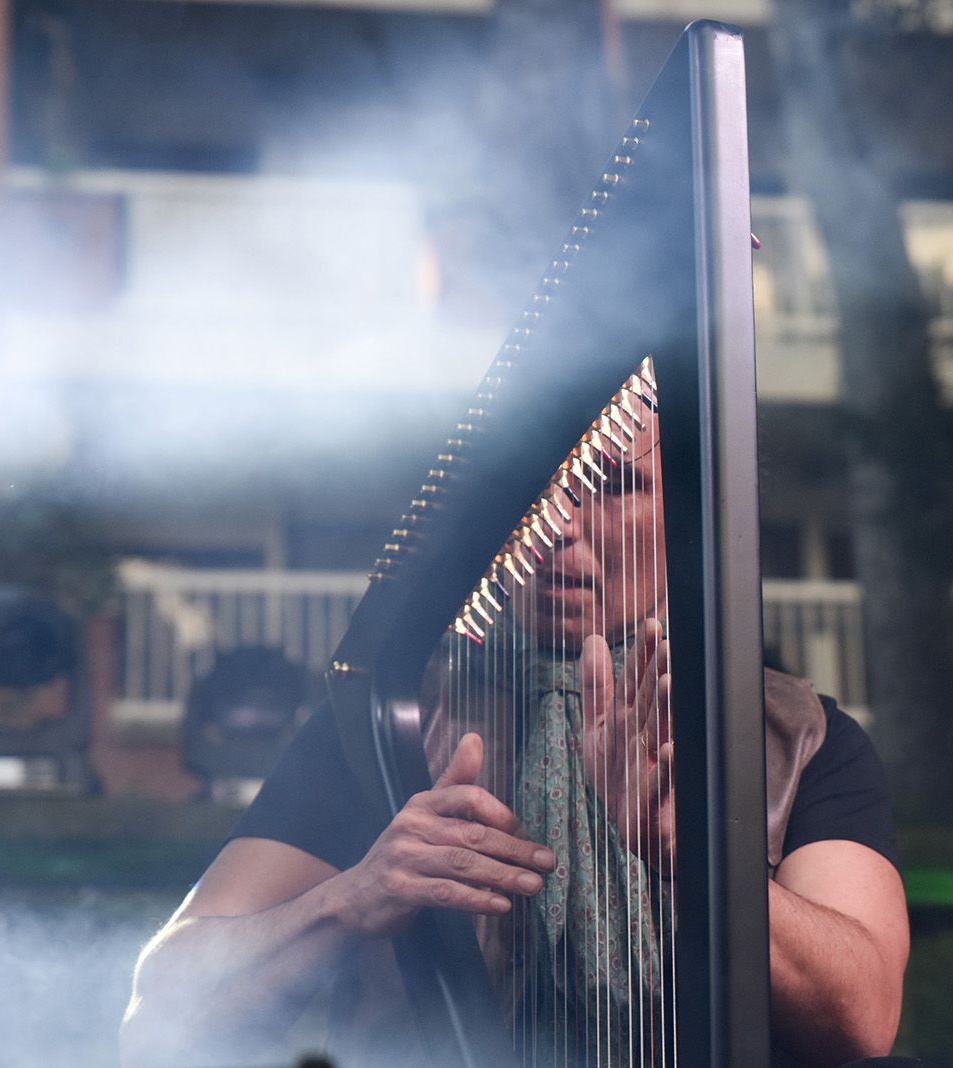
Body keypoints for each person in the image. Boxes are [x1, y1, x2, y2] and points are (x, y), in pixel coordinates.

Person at [121, 412, 911, 1068]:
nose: (561, 527)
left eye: (614, 487)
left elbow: (863, 1018)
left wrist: (699, 859)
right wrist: (357, 895)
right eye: (538, 491)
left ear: (693, 513)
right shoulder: (382, 722)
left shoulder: (798, 737)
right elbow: (158, 1014)